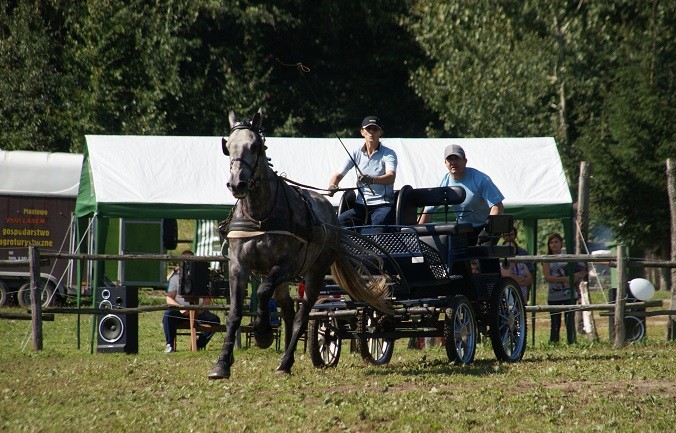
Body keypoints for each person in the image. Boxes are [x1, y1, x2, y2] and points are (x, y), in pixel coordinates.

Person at [418, 144, 504, 245]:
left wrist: (487, 229)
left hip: (487, 227)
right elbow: (428, 210)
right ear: (445, 163)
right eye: (450, 159)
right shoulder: (443, 183)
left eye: (457, 158)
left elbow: (498, 207)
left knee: (484, 255)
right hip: (463, 229)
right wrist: (417, 234)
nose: (453, 162)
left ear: (465, 161)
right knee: (454, 256)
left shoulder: (481, 179)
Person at [328, 115, 397, 232]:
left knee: (378, 231)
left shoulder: (389, 154)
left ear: (380, 132)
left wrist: (372, 179)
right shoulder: (355, 153)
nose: (371, 132)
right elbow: (338, 175)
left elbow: (391, 177)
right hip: (360, 206)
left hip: (382, 205)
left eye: (375, 129)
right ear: (362, 132)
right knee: (337, 225)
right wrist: (332, 186)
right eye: (368, 129)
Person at [162, 250, 221, 353]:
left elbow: (207, 297)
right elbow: (169, 297)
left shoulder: (202, 277)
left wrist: (201, 309)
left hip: (199, 311)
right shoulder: (176, 278)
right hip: (181, 311)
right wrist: (180, 308)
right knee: (168, 315)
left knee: (215, 320)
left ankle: (199, 344)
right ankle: (169, 345)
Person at [542, 233, 587, 344]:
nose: (554, 245)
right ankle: (553, 342)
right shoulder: (546, 259)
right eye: (551, 243)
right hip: (554, 295)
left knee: (569, 321)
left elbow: (583, 270)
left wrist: (576, 277)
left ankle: (571, 342)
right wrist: (565, 279)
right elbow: (548, 277)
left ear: (561, 244)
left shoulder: (569, 257)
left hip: (569, 294)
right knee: (555, 322)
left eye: (556, 242)